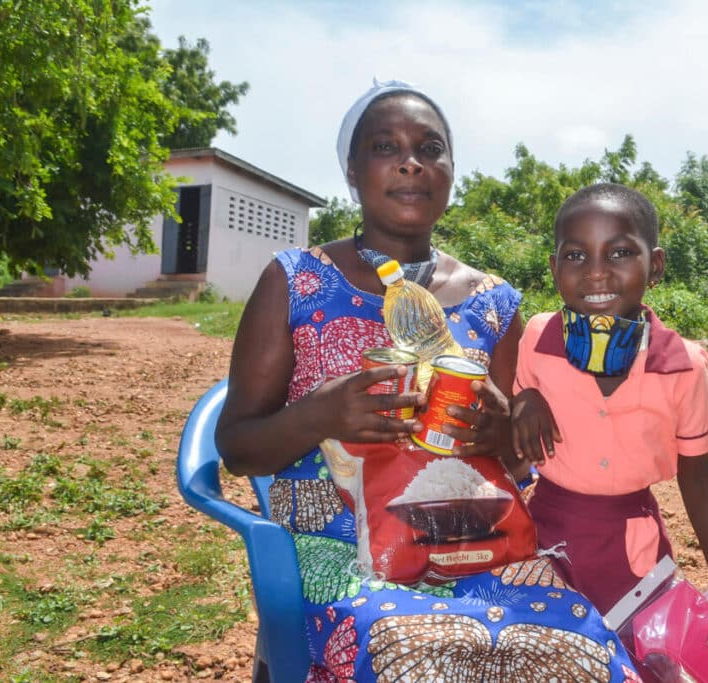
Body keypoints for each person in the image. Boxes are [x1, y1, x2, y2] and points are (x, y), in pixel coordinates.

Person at [215, 80, 639, 682]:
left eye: (430, 147)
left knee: (580, 654)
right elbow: (236, 447)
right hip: (338, 548)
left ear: (449, 174)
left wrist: (502, 436)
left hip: (479, 545)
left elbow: (523, 466)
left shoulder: (493, 301)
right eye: (386, 147)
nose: (412, 161)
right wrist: (321, 415)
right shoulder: (297, 282)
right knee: (412, 655)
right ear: (354, 172)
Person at [510, 183, 708, 650]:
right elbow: (514, 441)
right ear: (555, 268)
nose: (597, 274)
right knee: (549, 656)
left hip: (635, 556)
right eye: (576, 257)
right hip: (546, 540)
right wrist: (523, 398)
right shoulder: (537, 338)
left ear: (654, 266)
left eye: (619, 253)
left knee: (641, 658)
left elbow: (697, 478)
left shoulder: (683, 364)